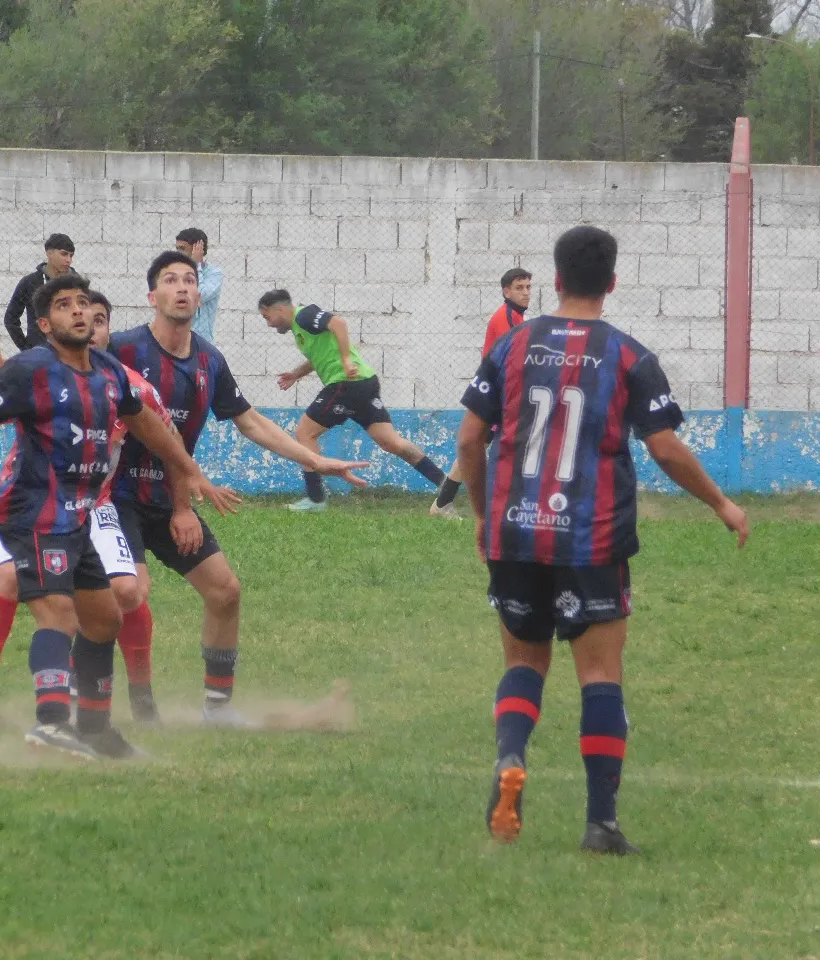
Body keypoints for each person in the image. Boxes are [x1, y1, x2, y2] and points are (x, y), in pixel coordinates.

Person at [456, 226, 749, 855]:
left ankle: (512, 755)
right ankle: (601, 825)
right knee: (599, 674)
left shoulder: (511, 346)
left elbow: (467, 441)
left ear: (555, 279)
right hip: (591, 539)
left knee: (524, 662)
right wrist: (721, 503)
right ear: (612, 282)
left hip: (514, 532)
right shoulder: (628, 357)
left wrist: (484, 514)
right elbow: (665, 447)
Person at [0, 274, 235, 760]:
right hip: (32, 513)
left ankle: (95, 730)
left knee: (105, 619)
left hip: (79, 516)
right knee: (57, 613)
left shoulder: (112, 374)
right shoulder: (30, 370)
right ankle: (51, 722)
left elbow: (152, 428)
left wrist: (190, 470)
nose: (78, 312)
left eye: (86, 306)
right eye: (65, 305)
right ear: (44, 324)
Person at [107, 252, 367, 725]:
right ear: (153, 296)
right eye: (171, 280)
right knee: (128, 593)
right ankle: (123, 704)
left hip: (170, 501)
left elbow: (249, 421)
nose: (184, 287)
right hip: (115, 497)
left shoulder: (209, 360)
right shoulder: (123, 350)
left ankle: (218, 711)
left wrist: (313, 459)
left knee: (225, 592)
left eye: (190, 279)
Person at [260, 289, 448, 512]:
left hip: (346, 383)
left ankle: (316, 499)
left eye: (267, 317)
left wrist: (347, 360)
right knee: (390, 442)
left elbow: (338, 323)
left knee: (304, 433)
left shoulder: (304, 315)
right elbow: (318, 356)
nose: (269, 324)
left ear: (280, 309)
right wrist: (295, 375)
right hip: (364, 382)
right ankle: (447, 485)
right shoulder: (301, 331)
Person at [433, 268, 534, 518]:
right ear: (506, 291)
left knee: (479, 447)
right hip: (499, 396)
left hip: (499, 395)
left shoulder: (515, 317)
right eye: (519, 288)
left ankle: (442, 504)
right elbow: (516, 359)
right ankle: (514, 505)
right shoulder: (508, 317)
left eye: (528, 287)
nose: (525, 293)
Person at [3, 233, 79, 351]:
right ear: (49, 253)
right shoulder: (30, 282)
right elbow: (11, 318)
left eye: (71, 256)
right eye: (64, 254)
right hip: (39, 353)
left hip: (70, 353)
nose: (68, 260)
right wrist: (26, 348)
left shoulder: (77, 283)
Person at [175, 228, 223, 342]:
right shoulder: (174, 273)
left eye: (182, 249)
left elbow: (200, 294)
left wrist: (195, 265)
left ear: (197, 248)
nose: (177, 253)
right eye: (177, 248)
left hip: (202, 341)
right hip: (177, 339)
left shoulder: (214, 274)